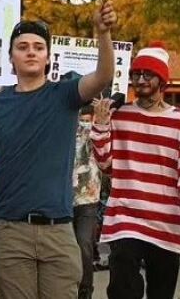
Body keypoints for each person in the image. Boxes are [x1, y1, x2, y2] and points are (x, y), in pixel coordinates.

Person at [0, 2, 116, 299]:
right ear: (11, 59)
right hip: (8, 230)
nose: (31, 51)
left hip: (59, 231)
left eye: (39, 47)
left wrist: (103, 33)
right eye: (22, 46)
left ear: (47, 58)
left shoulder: (66, 95)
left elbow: (104, 76)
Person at [92, 41, 180, 299]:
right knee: (122, 289)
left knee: (161, 293)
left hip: (166, 221)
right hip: (125, 217)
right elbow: (105, 164)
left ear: (162, 80)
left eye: (147, 74)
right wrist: (102, 123)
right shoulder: (120, 115)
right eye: (135, 75)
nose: (139, 80)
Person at [73, 104, 102, 299]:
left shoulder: (93, 129)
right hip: (58, 198)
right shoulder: (56, 127)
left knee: (84, 244)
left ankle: (85, 291)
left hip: (87, 198)